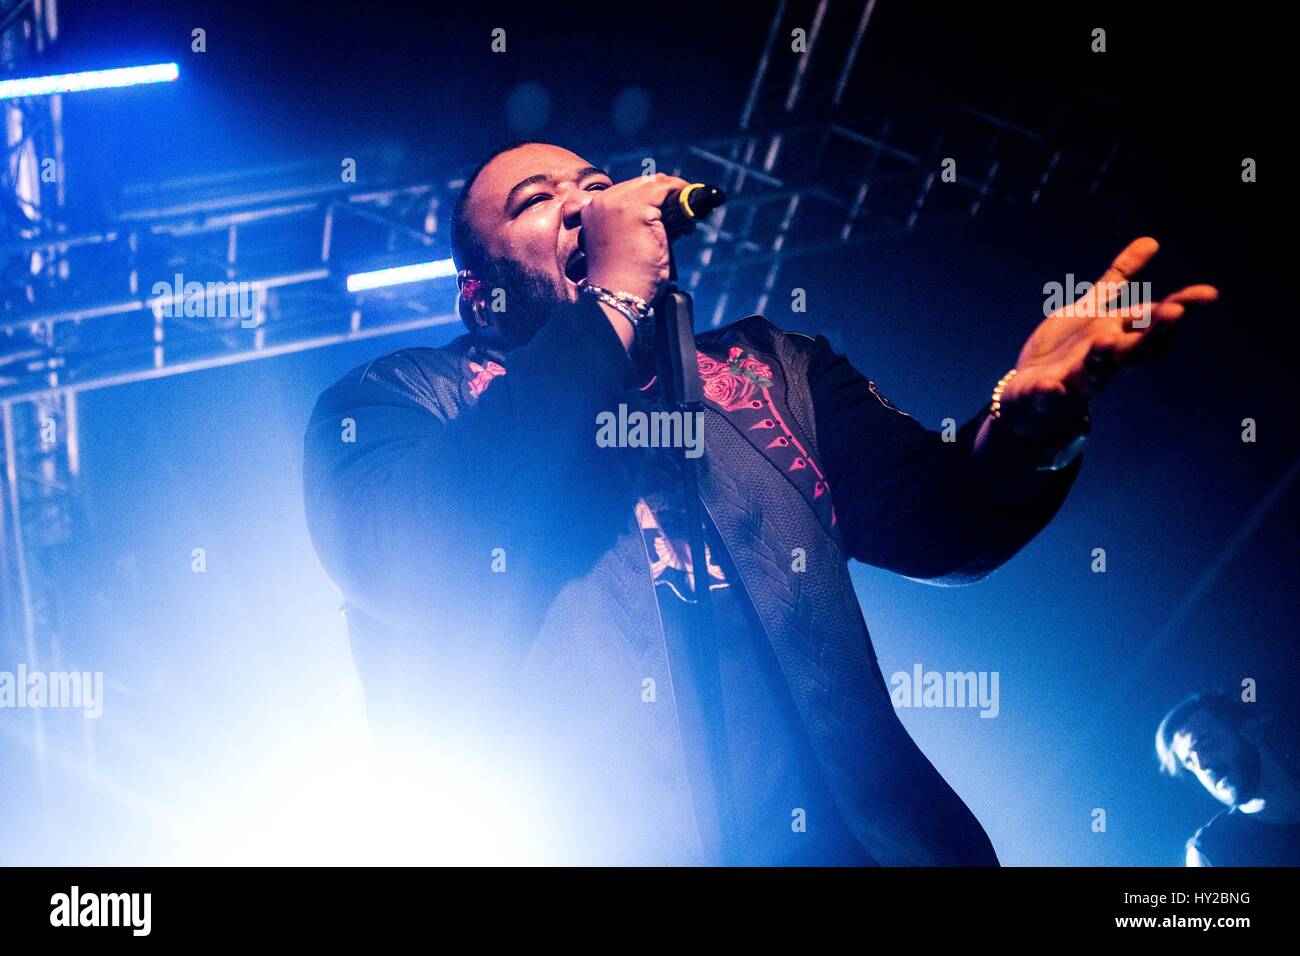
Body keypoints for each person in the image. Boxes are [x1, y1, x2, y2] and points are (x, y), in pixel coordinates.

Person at [303, 140, 1217, 865]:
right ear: (480, 290)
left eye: (594, 183)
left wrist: (1024, 424)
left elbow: (945, 519)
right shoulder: (398, 402)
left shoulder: (769, 369)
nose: (586, 201)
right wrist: (612, 302)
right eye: (537, 200)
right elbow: (412, 556)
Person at [1157, 690, 1300, 866]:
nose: (1202, 765)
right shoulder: (1212, 852)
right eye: (1190, 762)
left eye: (1205, 743)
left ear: (1251, 732)